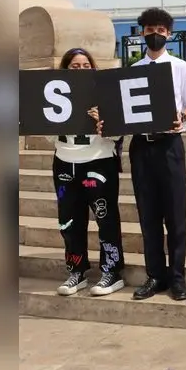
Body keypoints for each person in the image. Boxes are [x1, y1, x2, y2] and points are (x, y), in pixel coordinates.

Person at [129, 7, 186, 301]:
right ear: (142, 33)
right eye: (150, 30)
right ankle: (155, 275)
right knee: (148, 215)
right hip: (141, 148)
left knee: (175, 214)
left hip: (170, 145)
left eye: (161, 30)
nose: (155, 35)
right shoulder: (133, 71)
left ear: (169, 34)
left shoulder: (181, 68)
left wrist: (181, 117)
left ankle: (177, 277)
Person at [49, 48, 125, 296]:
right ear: (65, 70)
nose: (80, 70)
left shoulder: (106, 93)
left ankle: (111, 271)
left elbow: (118, 134)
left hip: (99, 162)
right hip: (65, 162)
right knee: (69, 221)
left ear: (93, 68)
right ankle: (76, 270)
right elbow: (49, 135)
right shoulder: (53, 95)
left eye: (85, 66)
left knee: (105, 218)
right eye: (74, 66)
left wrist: (105, 121)